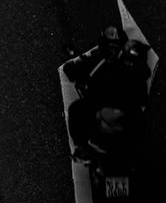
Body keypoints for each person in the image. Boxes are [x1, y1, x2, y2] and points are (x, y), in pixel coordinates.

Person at [64, 25, 152, 164]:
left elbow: (71, 71)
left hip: (106, 112)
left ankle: (82, 148)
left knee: (76, 109)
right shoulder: (136, 69)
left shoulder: (100, 63)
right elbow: (143, 98)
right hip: (120, 116)